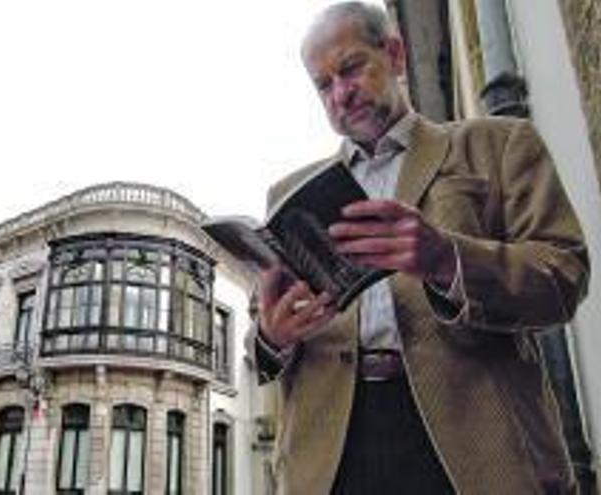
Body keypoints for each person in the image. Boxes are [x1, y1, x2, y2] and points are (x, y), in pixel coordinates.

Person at [249, 2, 590, 493]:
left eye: (350, 69)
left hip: (475, 438)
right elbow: (264, 335)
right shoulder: (288, 196)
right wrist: (272, 335)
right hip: (330, 453)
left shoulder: (498, 145)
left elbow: (564, 273)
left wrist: (446, 259)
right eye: (324, 85)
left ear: (395, 54)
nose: (340, 94)